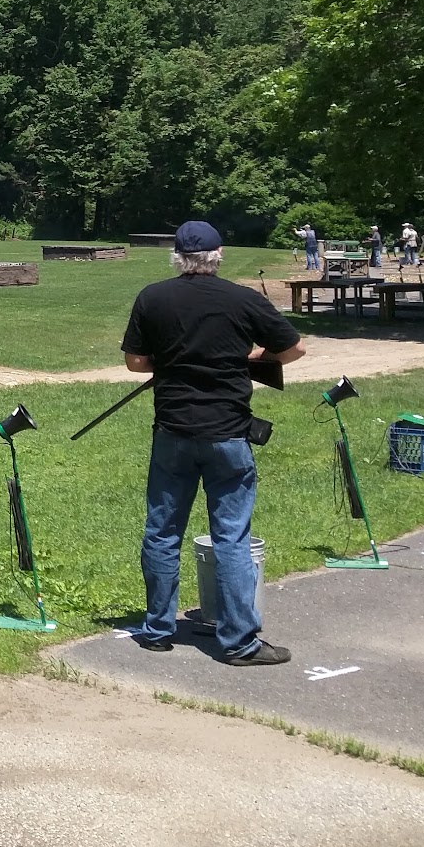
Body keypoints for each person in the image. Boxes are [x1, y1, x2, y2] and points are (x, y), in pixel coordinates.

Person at [120, 220, 307, 665]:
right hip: (227, 432)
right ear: (217, 255)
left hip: (173, 432)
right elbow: (293, 349)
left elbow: (135, 363)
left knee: (163, 532)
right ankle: (240, 641)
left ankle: (158, 629)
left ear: (177, 257)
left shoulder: (153, 297)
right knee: (231, 538)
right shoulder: (243, 299)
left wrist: (170, 359)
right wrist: (250, 356)